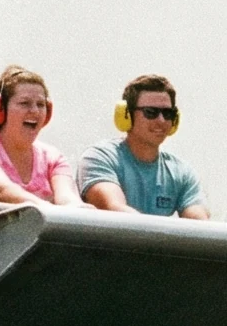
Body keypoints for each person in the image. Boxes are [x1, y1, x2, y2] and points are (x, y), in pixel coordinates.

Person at [0, 66, 80, 224]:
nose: (35, 111)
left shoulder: (53, 156)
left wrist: (81, 210)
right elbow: (1, 192)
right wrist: (49, 211)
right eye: (25, 103)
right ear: (0, 109)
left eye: (40, 104)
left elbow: (67, 199)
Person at [81, 73, 209, 218]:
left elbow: (199, 223)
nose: (161, 120)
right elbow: (115, 211)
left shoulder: (181, 172)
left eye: (168, 113)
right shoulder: (100, 158)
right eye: (151, 112)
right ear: (126, 115)